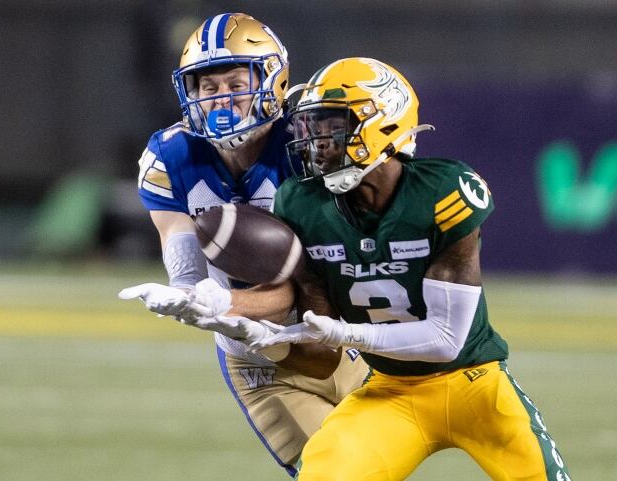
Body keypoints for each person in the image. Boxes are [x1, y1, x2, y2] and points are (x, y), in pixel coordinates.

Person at [245, 57, 573, 481]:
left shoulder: (442, 192)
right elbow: (318, 342)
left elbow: (444, 339)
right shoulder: (301, 204)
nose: (316, 141)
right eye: (311, 127)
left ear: (382, 124)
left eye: (331, 126)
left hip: (474, 384)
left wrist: (348, 334)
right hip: (390, 389)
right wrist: (251, 326)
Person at [118, 14, 369, 477]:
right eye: (208, 88)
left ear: (273, 81)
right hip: (258, 358)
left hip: (342, 331)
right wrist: (191, 293)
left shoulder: (309, 147)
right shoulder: (169, 155)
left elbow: (318, 277)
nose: (222, 99)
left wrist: (223, 302)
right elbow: (178, 236)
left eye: (236, 82)